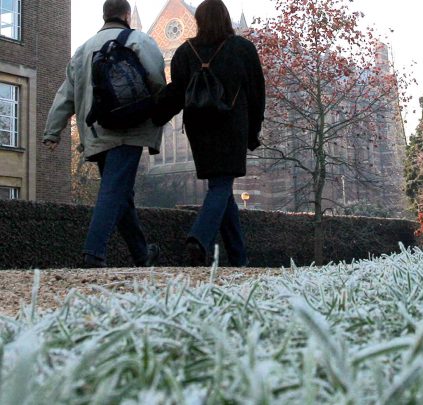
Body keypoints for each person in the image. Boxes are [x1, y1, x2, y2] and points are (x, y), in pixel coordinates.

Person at [42, 0, 165, 268]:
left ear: (104, 16)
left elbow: (66, 94)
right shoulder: (138, 40)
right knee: (113, 190)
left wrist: (53, 131)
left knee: (121, 193)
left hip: (96, 132)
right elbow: (157, 80)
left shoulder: (83, 49)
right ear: (126, 15)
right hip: (130, 130)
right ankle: (93, 252)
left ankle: (142, 254)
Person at [154, 0, 265, 266]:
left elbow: (176, 94)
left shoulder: (185, 51)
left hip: (199, 129)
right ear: (226, 19)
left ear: (199, 20)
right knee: (221, 185)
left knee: (222, 189)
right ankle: (199, 238)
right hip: (231, 127)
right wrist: (253, 132)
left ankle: (239, 259)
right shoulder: (242, 49)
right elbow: (256, 95)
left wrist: (153, 115)